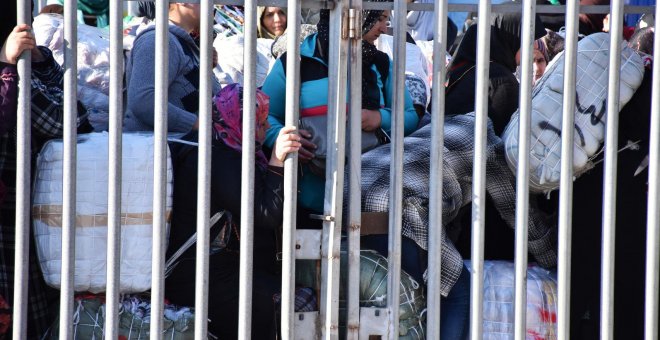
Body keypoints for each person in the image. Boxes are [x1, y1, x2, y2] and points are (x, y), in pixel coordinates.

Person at [165, 84, 301, 339]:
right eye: (260, 124)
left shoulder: (214, 145)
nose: (266, 130)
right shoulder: (221, 160)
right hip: (204, 278)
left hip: (207, 269)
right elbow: (266, 212)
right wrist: (277, 160)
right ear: (243, 125)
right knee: (271, 305)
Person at [262, 7, 419, 217]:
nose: (383, 28)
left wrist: (380, 118)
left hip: (372, 201)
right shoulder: (295, 63)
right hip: (308, 202)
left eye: (386, 20)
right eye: (379, 19)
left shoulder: (380, 64)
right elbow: (264, 116)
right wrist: (285, 139)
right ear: (353, 16)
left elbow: (410, 115)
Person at [0, 4, 92, 337]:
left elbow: (75, 115)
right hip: (10, 209)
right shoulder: (8, 70)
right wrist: (7, 64)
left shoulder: (21, 68)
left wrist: (35, 59)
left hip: (19, 207)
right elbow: (60, 119)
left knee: (25, 307)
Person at [441, 11, 546, 136]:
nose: (534, 46)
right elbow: (508, 138)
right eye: (529, 40)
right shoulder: (501, 81)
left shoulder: (464, 67)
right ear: (512, 38)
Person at [124, 2, 221, 133]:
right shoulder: (158, 41)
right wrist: (202, 126)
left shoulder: (177, 41)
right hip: (161, 148)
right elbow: (143, 101)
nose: (212, 5)